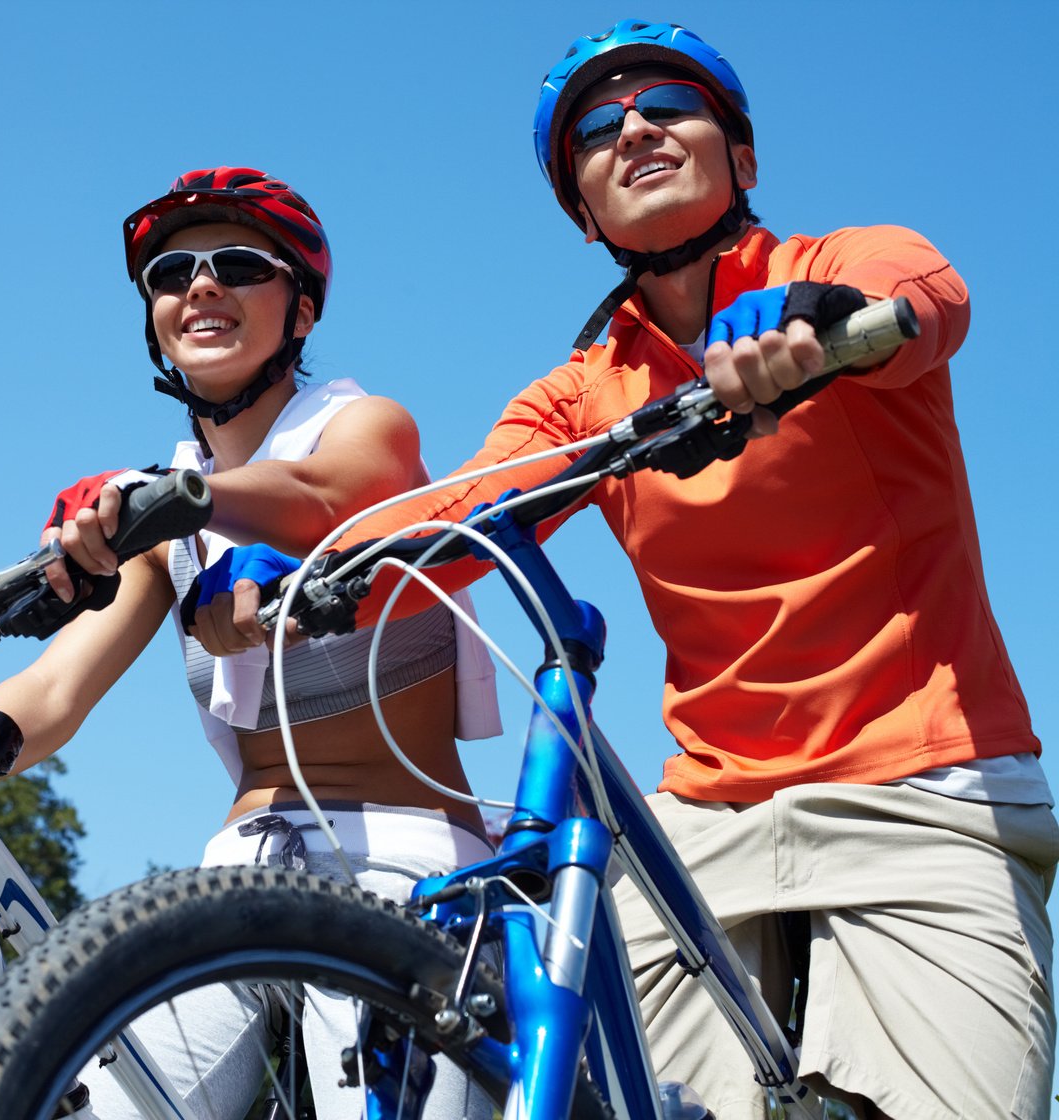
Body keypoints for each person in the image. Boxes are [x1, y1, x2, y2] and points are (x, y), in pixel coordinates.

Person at [204, 20, 1057, 1120]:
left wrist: (817, 322)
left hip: (928, 793)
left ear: (741, 160)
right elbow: (450, 522)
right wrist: (306, 576)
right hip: (705, 820)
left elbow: (928, 296)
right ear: (584, 207)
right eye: (599, 129)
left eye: (668, 106)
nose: (636, 128)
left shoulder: (835, 267)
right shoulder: (581, 395)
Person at [0, 166, 502, 1117]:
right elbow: (52, 694)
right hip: (235, 873)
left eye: (238, 265)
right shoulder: (172, 511)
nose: (200, 286)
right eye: (170, 273)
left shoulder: (363, 423)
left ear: (304, 312)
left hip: (406, 861)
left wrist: (170, 503)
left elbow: (341, 499)